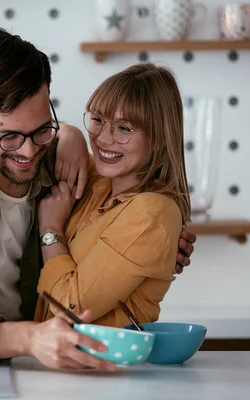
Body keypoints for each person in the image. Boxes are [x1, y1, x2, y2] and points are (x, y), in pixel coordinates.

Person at [0, 27, 196, 371]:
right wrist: (29, 338)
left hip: (52, 373)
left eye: (41, 129)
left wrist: (171, 238)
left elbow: (136, 210)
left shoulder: (61, 161)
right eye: (8, 136)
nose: (28, 150)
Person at [35, 64, 190, 330]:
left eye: (124, 128)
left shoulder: (151, 213)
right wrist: (69, 133)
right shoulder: (98, 177)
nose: (104, 139)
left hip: (103, 368)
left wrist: (50, 230)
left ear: (160, 138)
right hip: (57, 363)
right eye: (97, 120)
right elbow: (29, 138)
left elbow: (71, 306)